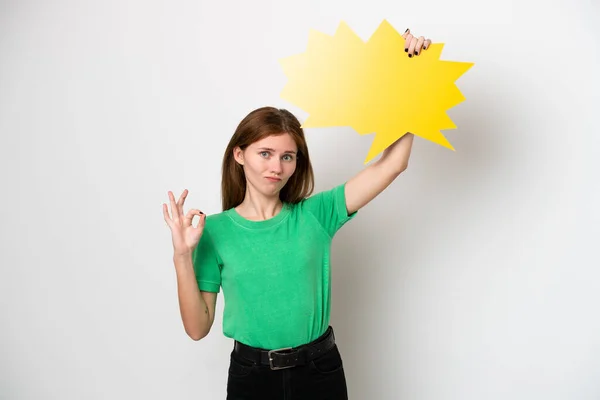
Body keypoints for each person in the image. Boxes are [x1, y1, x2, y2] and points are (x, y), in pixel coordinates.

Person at [163, 29, 431, 400]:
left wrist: (411, 76)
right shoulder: (214, 232)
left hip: (319, 372)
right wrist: (181, 255)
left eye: (287, 156)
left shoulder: (317, 214)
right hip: (251, 378)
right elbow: (197, 328)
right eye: (265, 153)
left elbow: (394, 163)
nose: (277, 166)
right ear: (239, 155)